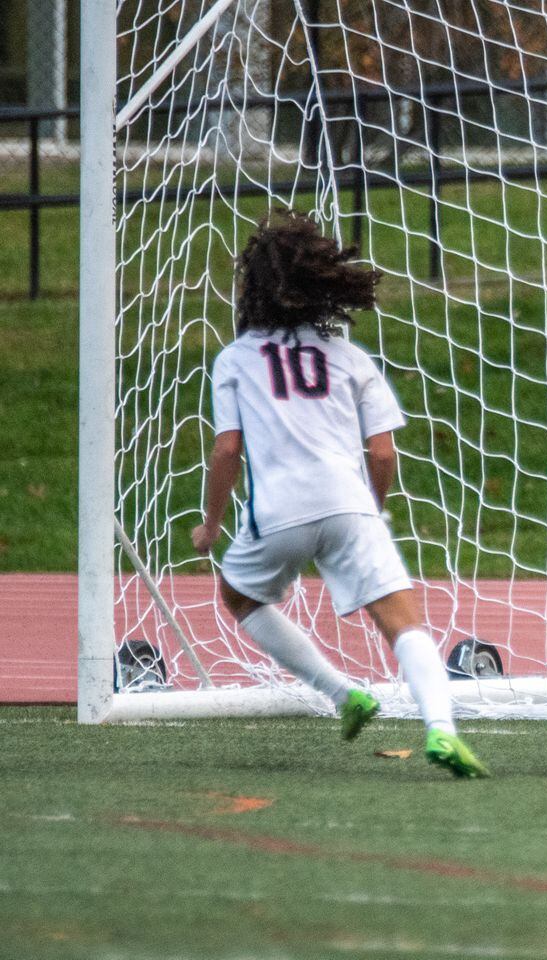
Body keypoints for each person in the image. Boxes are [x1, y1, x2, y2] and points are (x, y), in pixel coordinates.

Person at [189, 211, 486, 778]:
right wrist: (370, 510)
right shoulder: (349, 357)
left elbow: (227, 449)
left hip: (278, 511)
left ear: (254, 291)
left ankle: (341, 693)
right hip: (349, 504)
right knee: (403, 622)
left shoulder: (235, 359)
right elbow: (383, 454)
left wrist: (211, 524)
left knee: (239, 595)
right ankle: (443, 731)